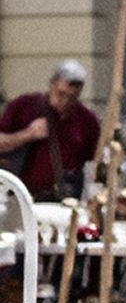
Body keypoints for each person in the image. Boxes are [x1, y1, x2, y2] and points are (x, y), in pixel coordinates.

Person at [0, 59, 100, 199]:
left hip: (64, 197)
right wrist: (27, 134)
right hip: (22, 196)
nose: (65, 102)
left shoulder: (86, 120)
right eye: (61, 94)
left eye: (72, 97)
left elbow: (92, 163)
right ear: (51, 84)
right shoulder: (24, 106)